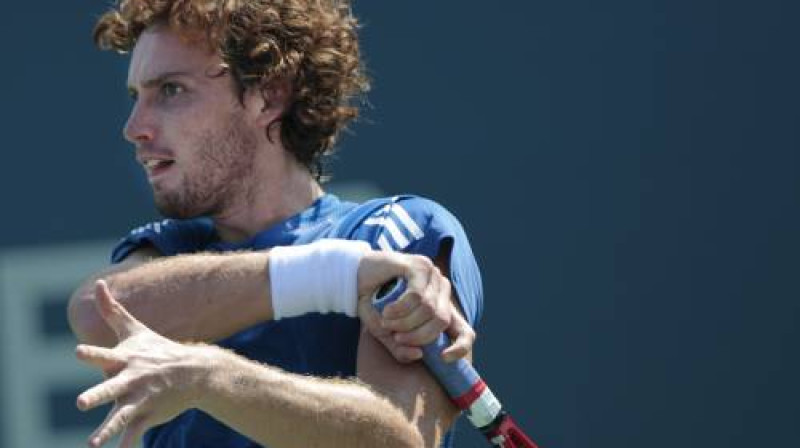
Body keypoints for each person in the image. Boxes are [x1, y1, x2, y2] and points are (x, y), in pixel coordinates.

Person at [67, 1, 484, 447]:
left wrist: (211, 378)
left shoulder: (393, 232)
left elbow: (402, 440)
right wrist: (339, 276)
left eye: (171, 90)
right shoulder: (168, 249)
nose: (134, 128)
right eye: (136, 97)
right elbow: (98, 313)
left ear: (269, 95)